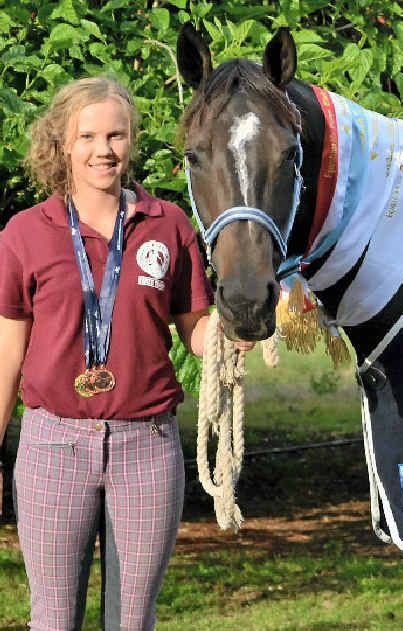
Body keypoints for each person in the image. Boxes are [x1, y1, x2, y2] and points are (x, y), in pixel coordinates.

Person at [0, 75, 240, 630]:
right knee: (54, 619)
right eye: (87, 136)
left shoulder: (169, 224)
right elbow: (7, 358)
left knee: (132, 620)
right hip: (52, 446)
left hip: (147, 448)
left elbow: (196, 331)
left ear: (131, 140)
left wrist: (232, 335)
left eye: (116, 135)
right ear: (62, 143)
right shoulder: (24, 234)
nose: (103, 150)